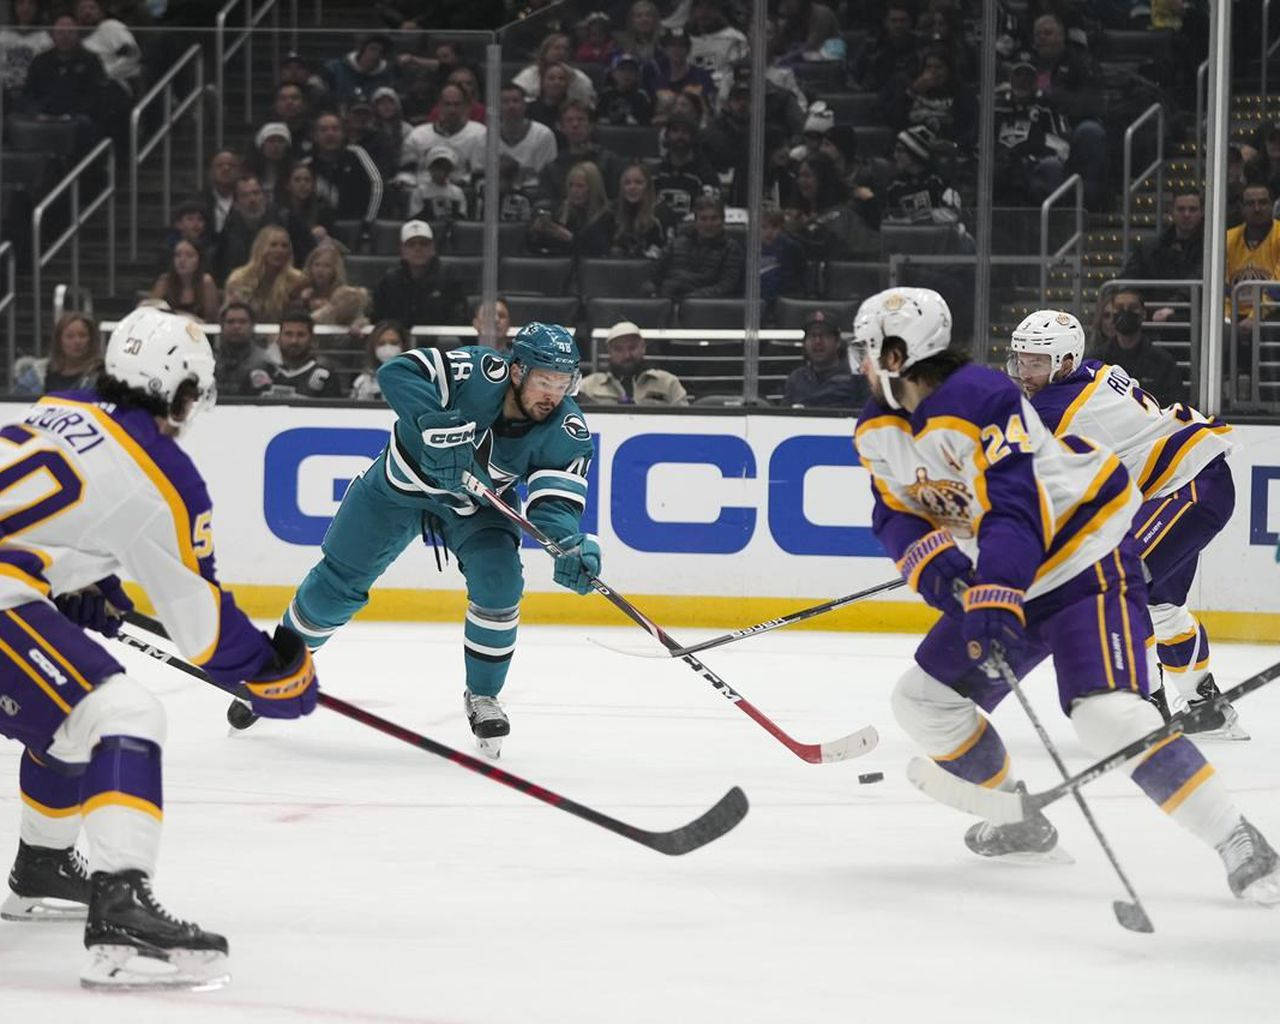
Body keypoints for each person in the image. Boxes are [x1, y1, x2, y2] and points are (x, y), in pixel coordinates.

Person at [852, 286, 1279, 901]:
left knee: (1105, 715)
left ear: (901, 354)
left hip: (1084, 560)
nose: (863, 363)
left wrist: (993, 597)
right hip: (1014, 575)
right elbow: (896, 513)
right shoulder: (876, 428)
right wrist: (941, 575)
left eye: (872, 351)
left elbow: (1015, 510)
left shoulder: (985, 399)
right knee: (923, 701)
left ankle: (1238, 839)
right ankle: (1018, 820)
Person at [0, 306, 317, 988]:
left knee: (70, 712)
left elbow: (46, 525)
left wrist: (70, 580)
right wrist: (274, 674)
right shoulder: (161, 469)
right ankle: (120, 905)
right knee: (123, 716)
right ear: (180, 392)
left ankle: (44, 865)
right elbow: (203, 633)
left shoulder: (57, 408)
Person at [277, 323, 598, 759]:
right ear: (518, 371)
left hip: (473, 508)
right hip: (397, 490)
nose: (553, 395)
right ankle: (277, 664)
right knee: (335, 586)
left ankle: (483, 695)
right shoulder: (479, 370)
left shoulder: (568, 429)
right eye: (545, 381)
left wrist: (570, 543)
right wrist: (436, 423)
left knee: (500, 583)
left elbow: (553, 507)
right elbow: (397, 372)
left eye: (564, 384)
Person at [1008, 309, 1245, 739]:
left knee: (1123, 590)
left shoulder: (1052, 407)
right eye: (1021, 360)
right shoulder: (1094, 369)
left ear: (1065, 361)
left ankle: (1147, 714)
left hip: (1185, 488)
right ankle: (1207, 709)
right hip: (1188, 485)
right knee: (1160, 604)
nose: (1025, 371)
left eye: (1037, 362)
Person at [992, 55, 1070, 206]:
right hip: (1002, 162)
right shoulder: (998, 104)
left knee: (1051, 168)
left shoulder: (1047, 105)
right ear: (1010, 78)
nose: (1023, 80)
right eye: (1018, 75)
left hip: (1036, 162)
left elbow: (1062, 144)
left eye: (1028, 76)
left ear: (1036, 80)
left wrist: (1033, 153)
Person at [1095, 287, 1183, 403]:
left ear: (1143, 314)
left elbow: (1174, 404)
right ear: (1113, 314)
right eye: (1119, 308)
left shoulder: (1163, 362)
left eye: (1132, 308)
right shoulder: (1097, 360)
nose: (1125, 312)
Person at [372, 220, 466, 328]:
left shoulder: (449, 278)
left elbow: (459, 320)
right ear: (402, 251)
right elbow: (376, 318)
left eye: (424, 244)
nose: (418, 249)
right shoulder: (390, 281)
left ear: (433, 248)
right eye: (411, 245)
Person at [579, 320, 689, 405]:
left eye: (632, 348)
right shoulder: (588, 386)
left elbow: (687, 422)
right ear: (609, 352)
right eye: (618, 349)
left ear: (643, 348)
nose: (627, 355)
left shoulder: (668, 383)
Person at [537, 100, 625, 206]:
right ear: (561, 127)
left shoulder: (610, 162)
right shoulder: (552, 169)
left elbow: (618, 201)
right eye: (569, 120)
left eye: (581, 119)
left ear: (591, 125)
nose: (575, 124)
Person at [400, 83, 488, 188]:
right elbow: (406, 173)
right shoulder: (417, 135)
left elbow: (480, 175)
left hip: (464, 194)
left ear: (466, 106)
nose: (452, 110)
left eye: (457, 104)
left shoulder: (479, 134)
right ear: (439, 105)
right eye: (447, 104)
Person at [579, 163, 673, 260]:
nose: (632, 187)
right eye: (627, 183)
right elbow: (590, 240)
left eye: (638, 183)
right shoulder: (611, 211)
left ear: (648, 186)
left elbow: (666, 251)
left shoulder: (661, 213)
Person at [658, 194, 744, 299]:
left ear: (723, 221)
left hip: (707, 307)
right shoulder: (676, 244)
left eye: (714, 218)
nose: (709, 224)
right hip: (668, 301)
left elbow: (726, 286)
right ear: (695, 221)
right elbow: (655, 276)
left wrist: (689, 299)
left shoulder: (732, 249)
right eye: (703, 219)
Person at [307, 112, 383, 229]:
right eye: (323, 130)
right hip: (317, 229)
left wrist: (368, 221)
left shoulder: (357, 154)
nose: (330, 134)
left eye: (335, 129)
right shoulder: (307, 164)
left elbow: (377, 184)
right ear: (315, 136)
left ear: (343, 134)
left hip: (355, 226)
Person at [783, 309, 867, 409]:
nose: (817, 341)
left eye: (824, 335)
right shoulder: (796, 378)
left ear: (837, 342)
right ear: (804, 343)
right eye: (812, 335)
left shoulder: (856, 379)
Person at [224, 225, 307, 323]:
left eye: (284, 246)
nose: (279, 250)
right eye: (273, 245)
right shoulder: (239, 279)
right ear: (261, 248)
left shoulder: (297, 280)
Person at [1225, 181, 1280, 327]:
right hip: (1235, 315)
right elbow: (1222, 287)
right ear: (1242, 208)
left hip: (1272, 313)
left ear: (1272, 205)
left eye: (1263, 202)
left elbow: (1278, 288)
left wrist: (1254, 317)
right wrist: (1226, 319)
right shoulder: (1227, 239)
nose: (1257, 209)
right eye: (1250, 203)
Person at [882, 126, 961, 225]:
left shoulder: (939, 182)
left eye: (900, 150)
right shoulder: (893, 185)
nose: (895, 155)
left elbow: (951, 215)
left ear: (915, 153)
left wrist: (913, 221)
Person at [251, 309, 339, 399]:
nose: (294, 341)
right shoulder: (260, 371)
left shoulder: (324, 377)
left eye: (301, 335)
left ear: (312, 339)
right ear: (279, 337)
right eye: (288, 334)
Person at [526, 162, 608, 257]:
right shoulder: (560, 211)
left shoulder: (605, 216)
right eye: (571, 185)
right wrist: (535, 233)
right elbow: (536, 248)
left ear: (593, 188)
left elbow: (599, 252)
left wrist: (570, 239)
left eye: (580, 186)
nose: (574, 191)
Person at [13, 312, 104, 396]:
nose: (77, 341)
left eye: (83, 335)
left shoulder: (102, 376)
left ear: (91, 340)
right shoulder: (37, 375)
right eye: (70, 336)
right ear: (59, 341)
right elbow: (16, 405)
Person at [213, 175, 280, 284]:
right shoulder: (228, 230)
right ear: (236, 203)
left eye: (256, 193)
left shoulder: (282, 221)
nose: (252, 200)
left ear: (265, 197)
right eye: (245, 195)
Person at [651, 113, 719, 220]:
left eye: (685, 132)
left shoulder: (706, 174)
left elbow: (712, 212)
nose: (680, 136)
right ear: (667, 135)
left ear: (693, 136)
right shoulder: (655, 173)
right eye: (675, 131)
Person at [498, 79, 558, 185]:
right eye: (505, 101)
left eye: (516, 101)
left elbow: (548, 177)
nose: (511, 106)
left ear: (525, 105)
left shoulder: (543, 135)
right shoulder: (486, 136)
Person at [74, 0, 139, 97]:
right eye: (82, 9)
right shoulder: (74, 38)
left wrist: (105, 73)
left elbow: (132, 53)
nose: (87, 12)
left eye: (92, 8)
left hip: (114, 85)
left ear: (100, 13)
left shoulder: (110, 27)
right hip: (84, 87)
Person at [513, 31, 596, 107]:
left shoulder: (577, 76)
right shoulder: (530, 73)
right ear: (545, 51)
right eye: (557, 48)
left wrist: (574, 79)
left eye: (565, 49)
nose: (561, 52)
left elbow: (588, 102)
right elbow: (514, 97)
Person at [275, 161, 337, 263]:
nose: (302, 184)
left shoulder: (324, 211)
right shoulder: (280, 212)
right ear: (288, 185)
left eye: (307, 180)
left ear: (313, 184)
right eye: (297, 180)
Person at [299, 243, 370, 329]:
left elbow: (361, 320)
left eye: (327, 266)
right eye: (317, 265)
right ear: (310, 267)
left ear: (335, 270)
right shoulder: (300, 291)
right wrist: (303, 303)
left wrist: (330, 308)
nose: (320, 270)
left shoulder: (345, 296)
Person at [214, 300, 276, 396]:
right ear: (222, 326)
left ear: (252, 326)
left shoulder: (265, 362)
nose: (236, 326)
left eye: (242, 322)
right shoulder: (210, 360)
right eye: (230, 322)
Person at [150, 240, 221, 323]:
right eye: (178, 255)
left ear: (199, 260)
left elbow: (213, 319)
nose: (182, 260)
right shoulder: (165, 281)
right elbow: (151, 312)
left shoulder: (206, 282)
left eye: (189, 256)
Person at [0, 0, 52, 104]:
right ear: (14, 7)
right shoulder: (3, 36)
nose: (26, 8)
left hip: (33, 94)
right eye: (21, 3)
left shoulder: (45, 39)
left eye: (31, 4)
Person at [323, 33, 394, 105]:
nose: (375, 54)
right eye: (373, 49)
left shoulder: (386, 76)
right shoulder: (337, 68)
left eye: (381, 52)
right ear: (362, 49)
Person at [350, 319, 408, 401]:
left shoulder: (418, 381)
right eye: (381, 343)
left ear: (403, 346)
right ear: (373, 348)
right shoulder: (362, 383)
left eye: (394, 343)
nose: (388, 348)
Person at [408, 144, 468, 221]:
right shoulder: (420, 191)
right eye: (437, 167)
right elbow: (414, 217)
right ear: (430, 168)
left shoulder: (457, 192)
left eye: (445, 167)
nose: (441, 171)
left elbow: (462, 216)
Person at [597, 52, 654, 126]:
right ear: (613, 73)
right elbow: (599, 119)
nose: (627, 73)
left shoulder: (641, 97)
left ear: (637, 75)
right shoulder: (605, 95)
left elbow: (645, 123)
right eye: (622, 69)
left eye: (631, 70)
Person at [202, 150, 241, 234]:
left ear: (239, 171)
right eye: (220, 165)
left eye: (232, 165)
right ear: (210, 172)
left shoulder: (248, 198)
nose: (226, 169)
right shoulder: (199, 200)